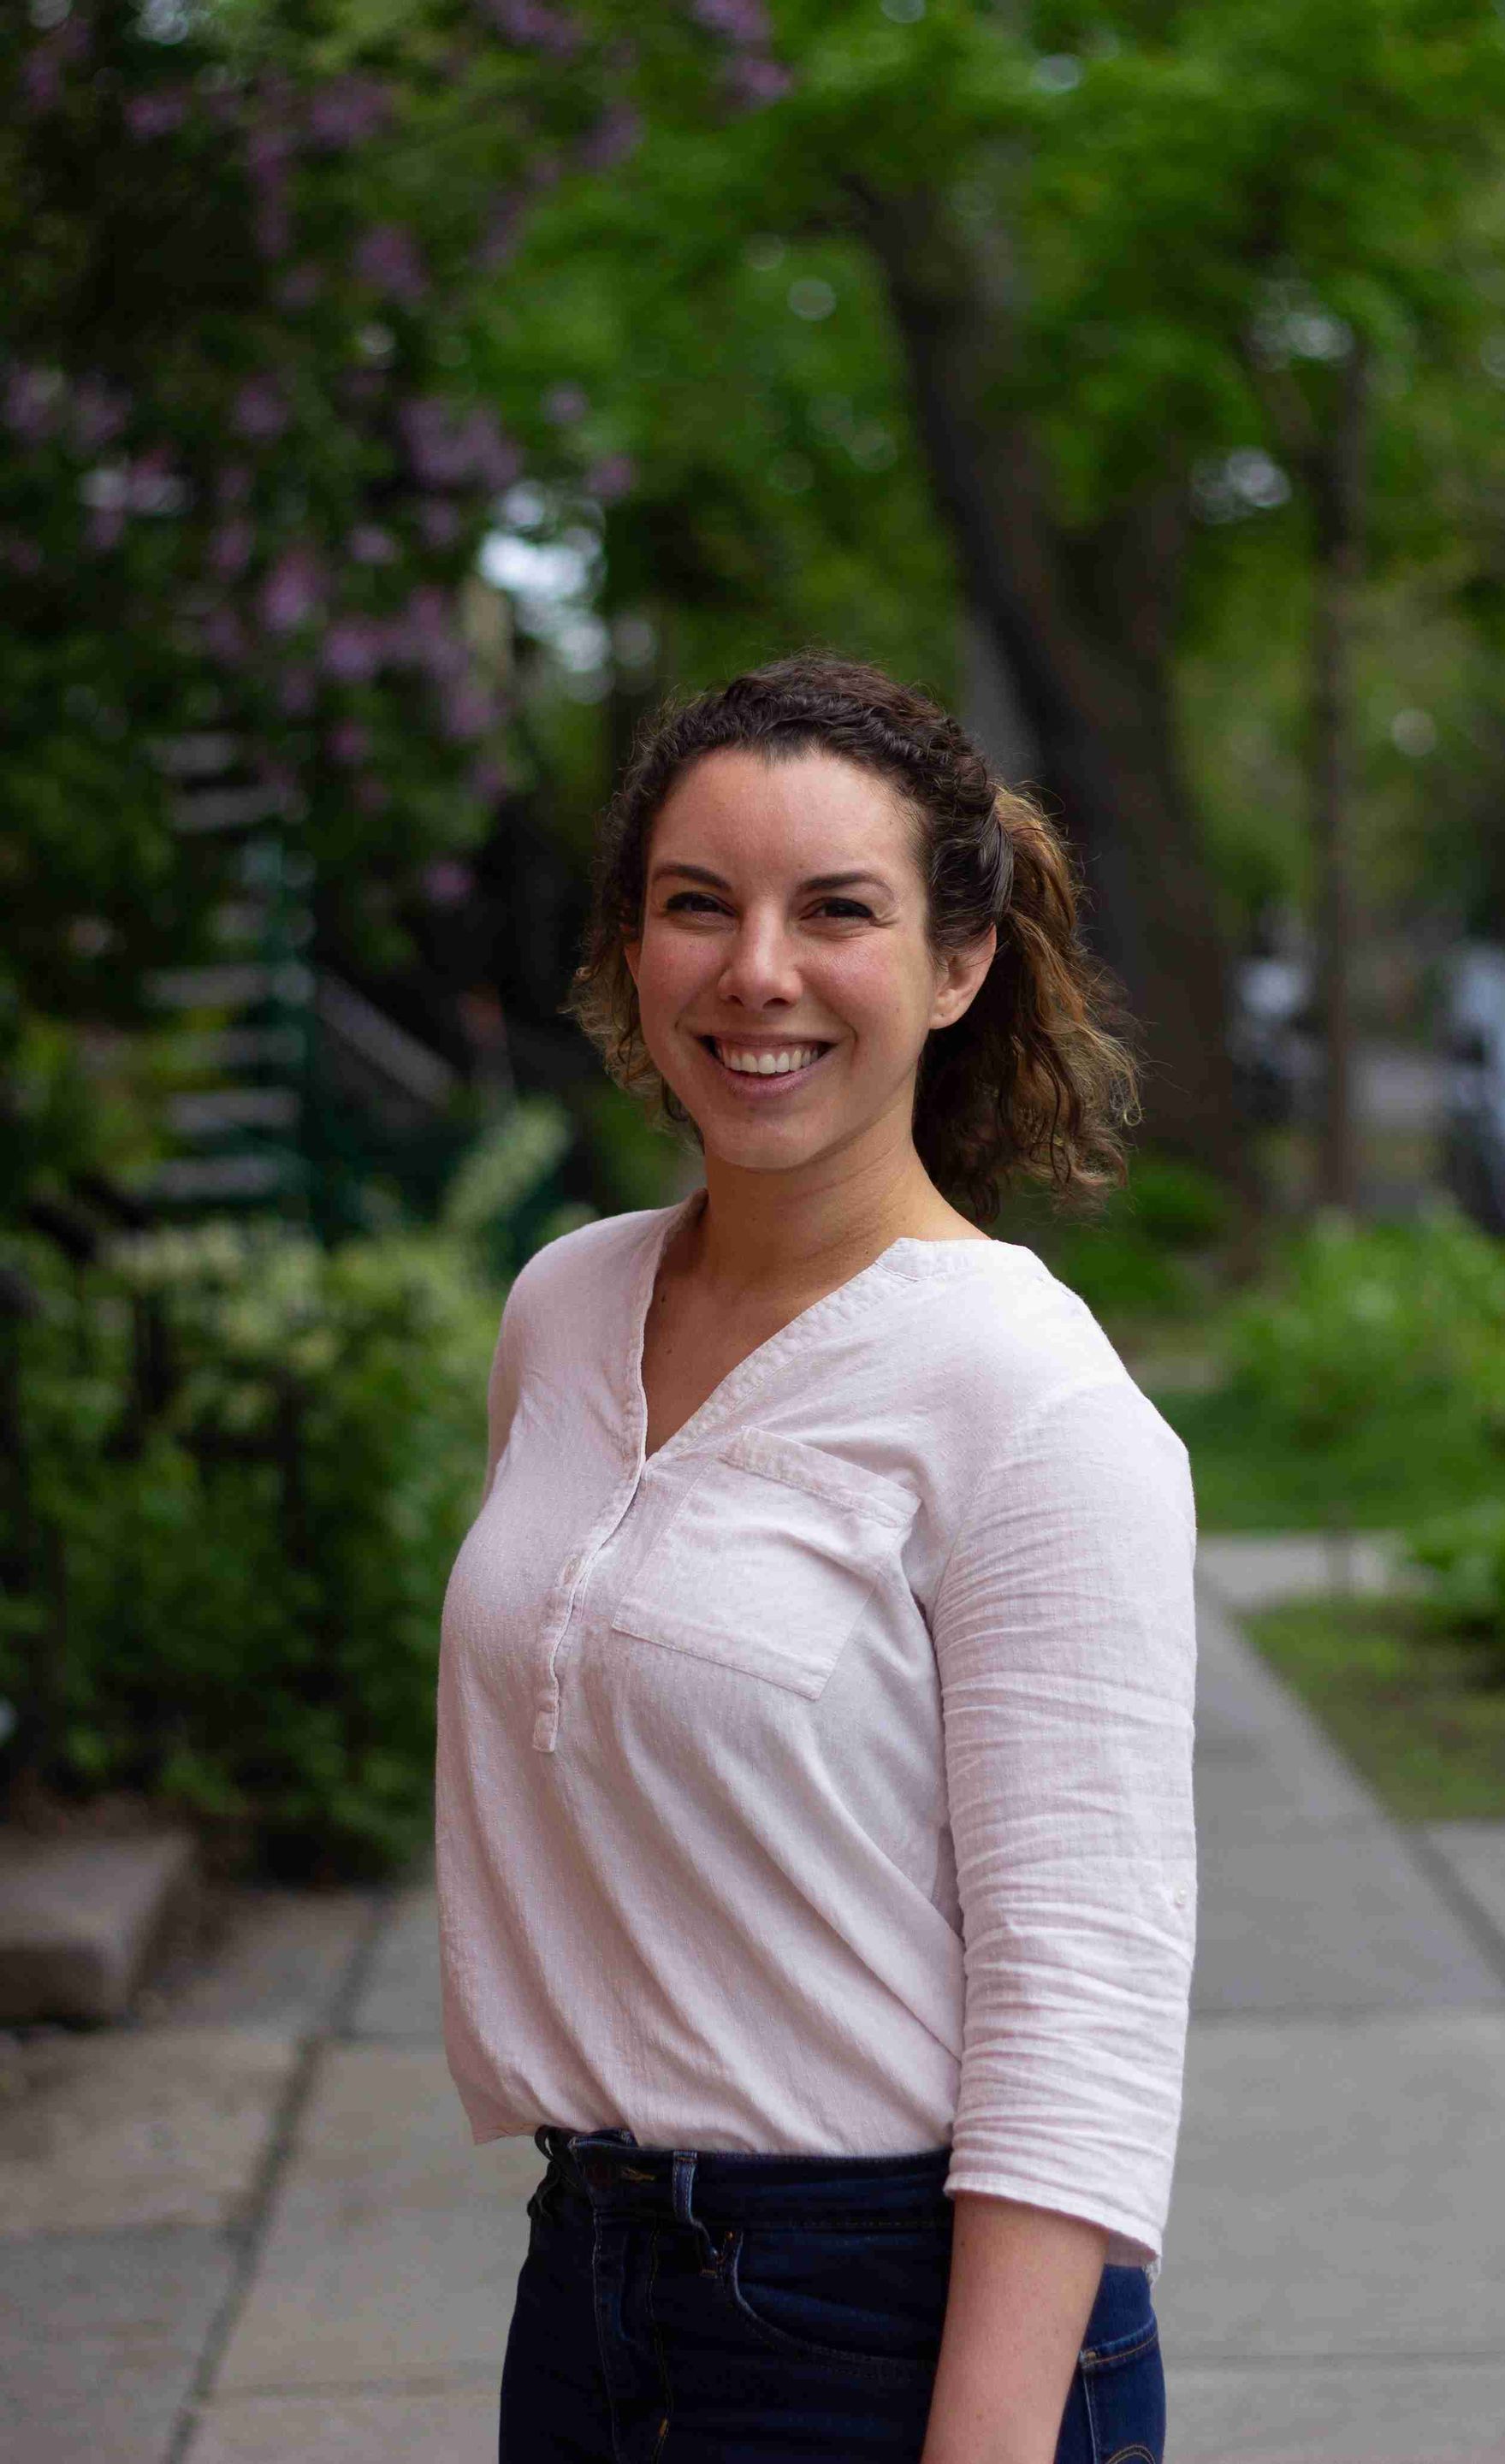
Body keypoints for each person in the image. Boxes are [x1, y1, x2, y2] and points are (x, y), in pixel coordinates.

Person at [436, 654, 1199, 2464]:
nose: (755, 971)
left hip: (895, 2315)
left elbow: (1079, 1996)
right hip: (591, 2277)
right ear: (633, 947)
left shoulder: (1027, 1401)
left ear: (956, 962)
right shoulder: (563, 1307)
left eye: (834, 911)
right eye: (697, 906)